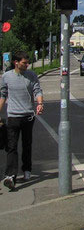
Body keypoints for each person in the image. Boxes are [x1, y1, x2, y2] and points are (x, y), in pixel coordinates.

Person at [0, 50, 43, 190]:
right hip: (13, 116)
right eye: (24, 63)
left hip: (28, 116)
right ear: (16, 63)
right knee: (11, 146)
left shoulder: (31, 75)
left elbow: (37, 90)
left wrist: (40, 103)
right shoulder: (6, 77)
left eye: (28, 62)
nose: (27, 65)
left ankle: (27, 169)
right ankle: (10, 176)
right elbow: (3, 95)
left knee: (27, 144)